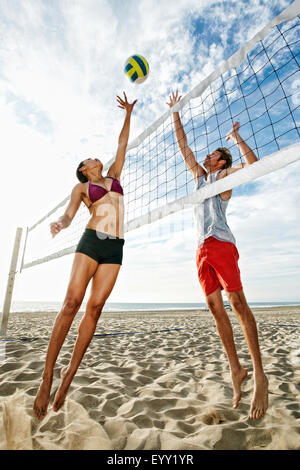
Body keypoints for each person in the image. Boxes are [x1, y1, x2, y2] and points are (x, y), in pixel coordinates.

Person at [33, 92, 137, 420]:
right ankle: (47, 377)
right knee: (71, 304)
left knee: (95, 309)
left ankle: (68, 376)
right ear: (83, 168)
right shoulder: (80, 189)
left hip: (114, 247)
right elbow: (68, 215)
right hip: (92, 241)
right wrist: (60, 225)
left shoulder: (115, 176)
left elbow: (122, 145)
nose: (97, 158)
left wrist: (128, 114)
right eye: (90, 158)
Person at [166, 90, 268, 420]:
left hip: (221, 243)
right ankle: (236, 369)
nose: (207, 155)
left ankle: (260, 375)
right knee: (214, 307)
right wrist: (175, 114)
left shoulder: (223, 177)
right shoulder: (199, 177)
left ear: (220, 161)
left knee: (238, 303)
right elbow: (184, 147)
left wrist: (237, 138)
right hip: (201, 249)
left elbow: (254, 165)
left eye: (212, 154)